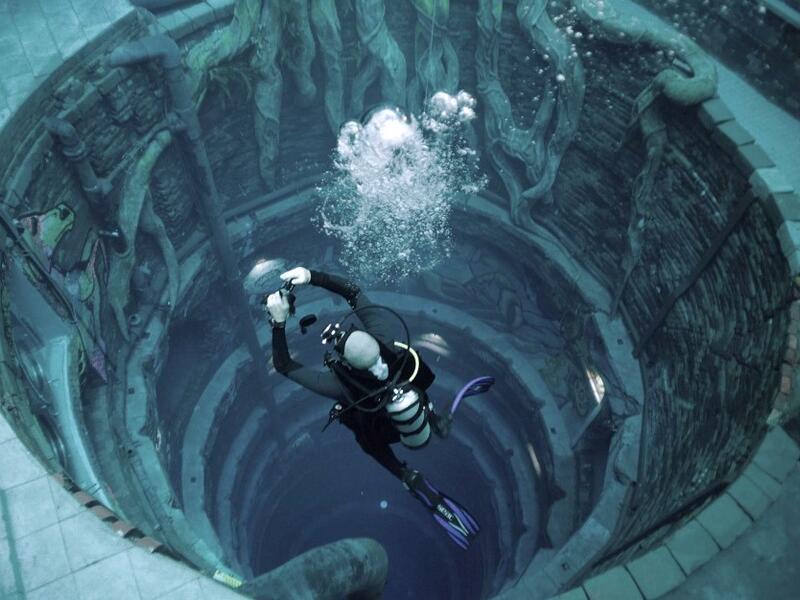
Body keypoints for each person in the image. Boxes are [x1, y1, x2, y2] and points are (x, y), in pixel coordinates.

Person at [265, 266, 481, 549]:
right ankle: (433, 419)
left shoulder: (340, 385)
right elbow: (354, 292)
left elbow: (284, 365)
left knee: (365, 438)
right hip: (411, 408)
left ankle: (402, 473)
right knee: (410, 392)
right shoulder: (385, 337)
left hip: (380, 429)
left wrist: (278, 322)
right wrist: (311, 275)